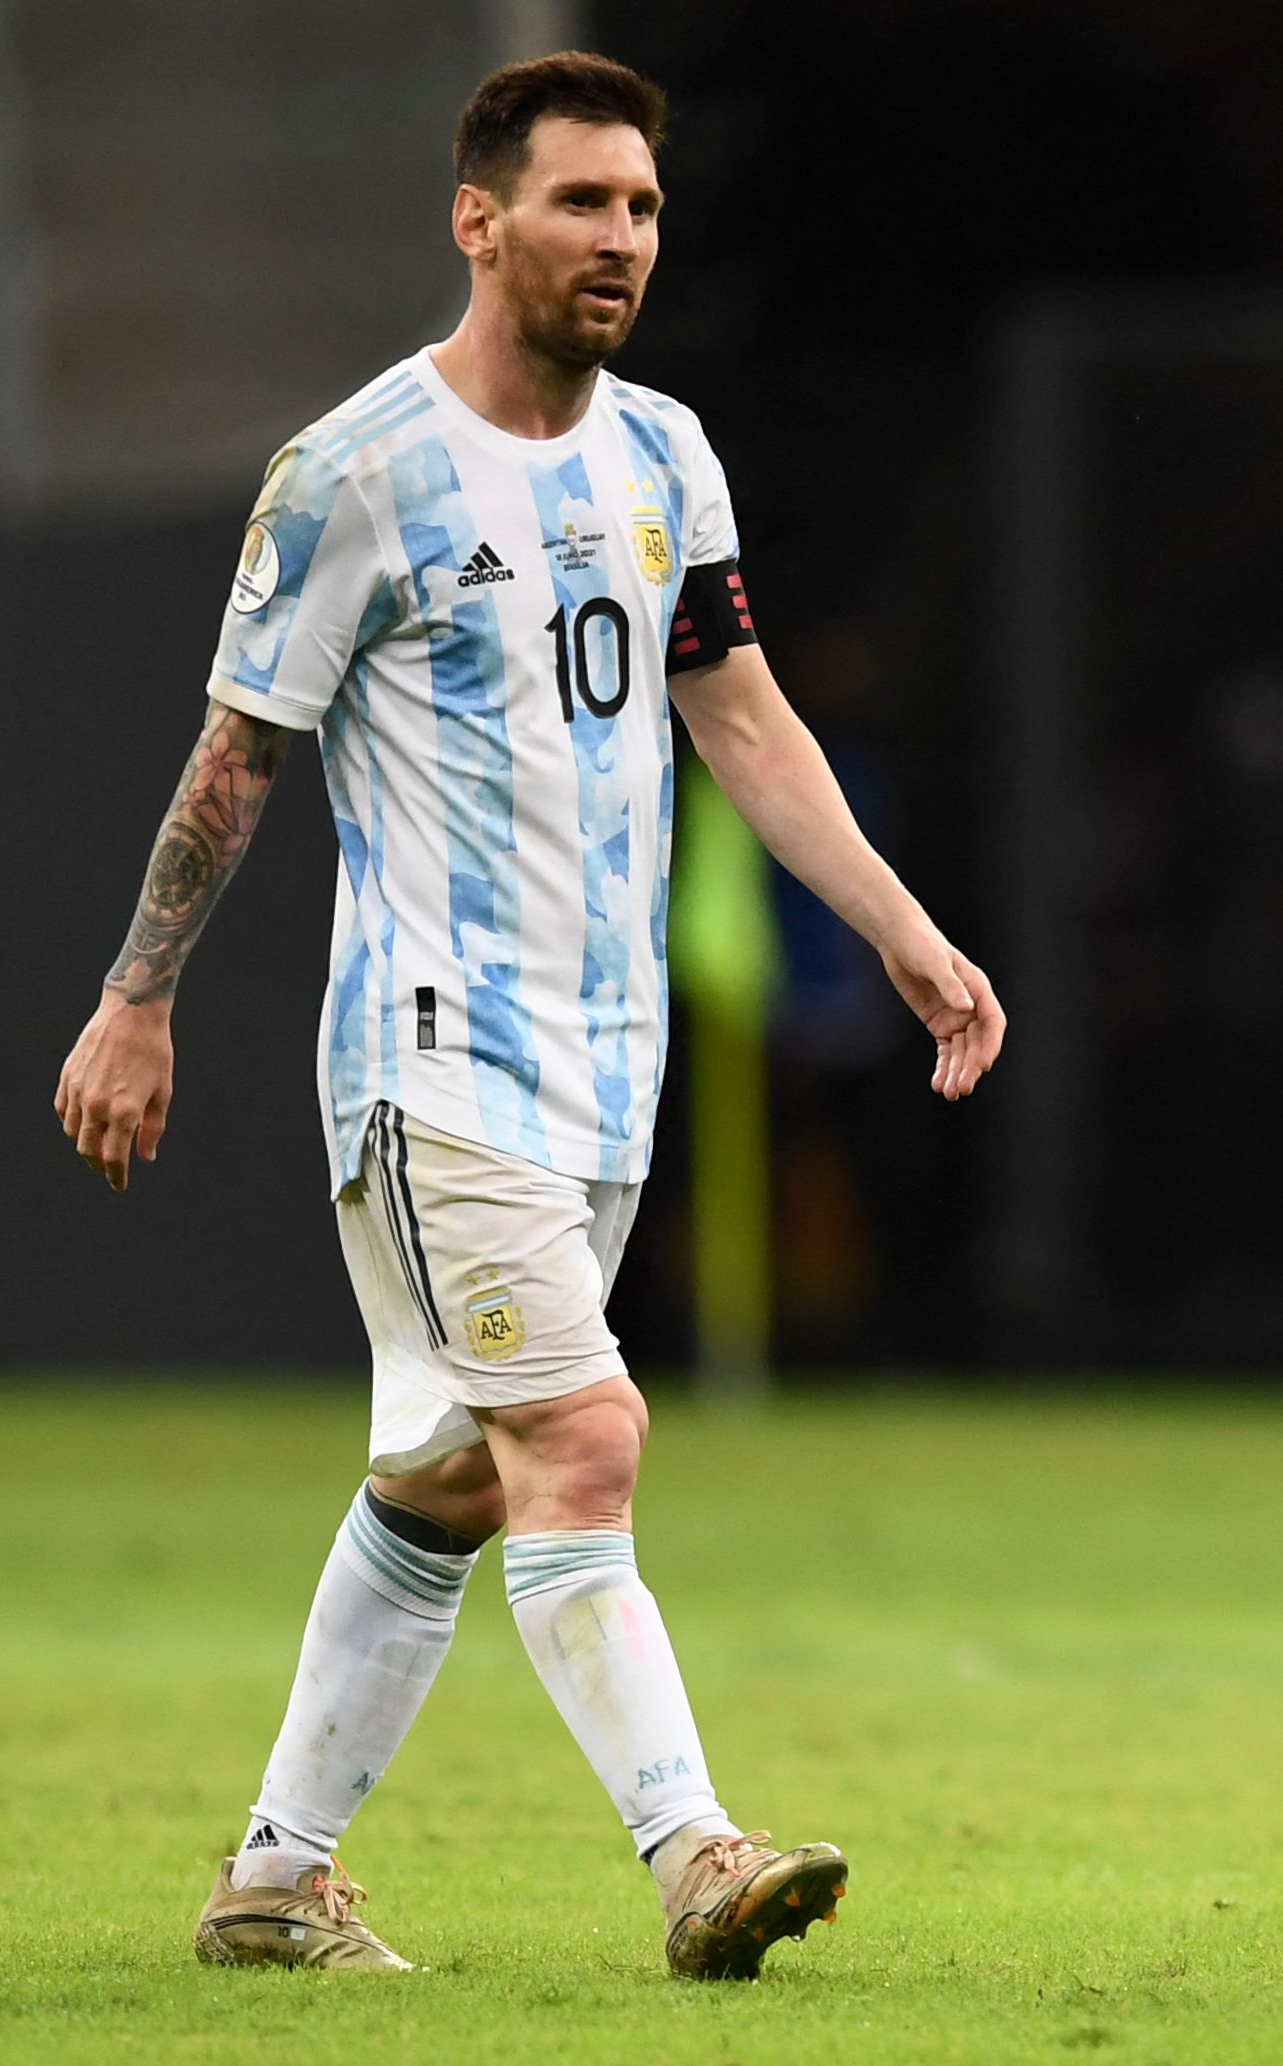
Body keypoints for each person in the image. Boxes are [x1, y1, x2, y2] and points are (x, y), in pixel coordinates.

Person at [50, 52, 1004, 1980]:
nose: (620, 240)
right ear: (475, 220)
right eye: (581, 202)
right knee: (581, 1437)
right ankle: (691, 1855)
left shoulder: (665, 455)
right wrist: (132, 1001)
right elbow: (237, 758)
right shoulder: (353, 472)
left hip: (604, 1069)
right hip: (431, 1059)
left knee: (458, 1479)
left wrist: (898, 929)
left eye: (642, 208)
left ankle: (271, 1873)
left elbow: (732, 708)